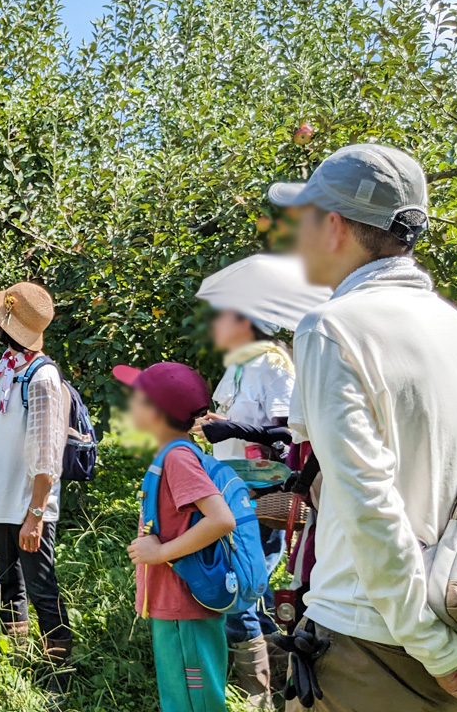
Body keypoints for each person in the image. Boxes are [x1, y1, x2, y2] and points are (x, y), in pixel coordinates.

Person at [267, 143, 457, 710]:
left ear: (333, 225)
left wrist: (434, 648)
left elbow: (367, 502)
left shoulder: (332, 327)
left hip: (375, 643)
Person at [191, 254, 330, 709]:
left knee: (241, 586)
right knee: (251, 587)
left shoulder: (275, 365)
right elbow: (236, 421)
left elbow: (289, 433)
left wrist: (229, 430)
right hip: (231, 489)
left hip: (262, 494)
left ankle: (256, 694)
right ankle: (273, 669)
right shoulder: (237, 365)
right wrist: (216, 423)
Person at [116, 361, 237, 712]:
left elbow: (221, 519)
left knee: (197, 700)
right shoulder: (171, 454)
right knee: (178, 696)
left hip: (186, 606)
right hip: (173, 605)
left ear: (157, 412)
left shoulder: (178, 459)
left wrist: (160, 552)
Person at [0, 282, 73, 679]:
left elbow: (48, 455)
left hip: (28, 503)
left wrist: (36, 513)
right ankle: (15, 657)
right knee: (6, 583)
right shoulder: (8, 370)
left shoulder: (42, 379)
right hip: (1, 499)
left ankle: (58, 670)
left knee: (41, 586)